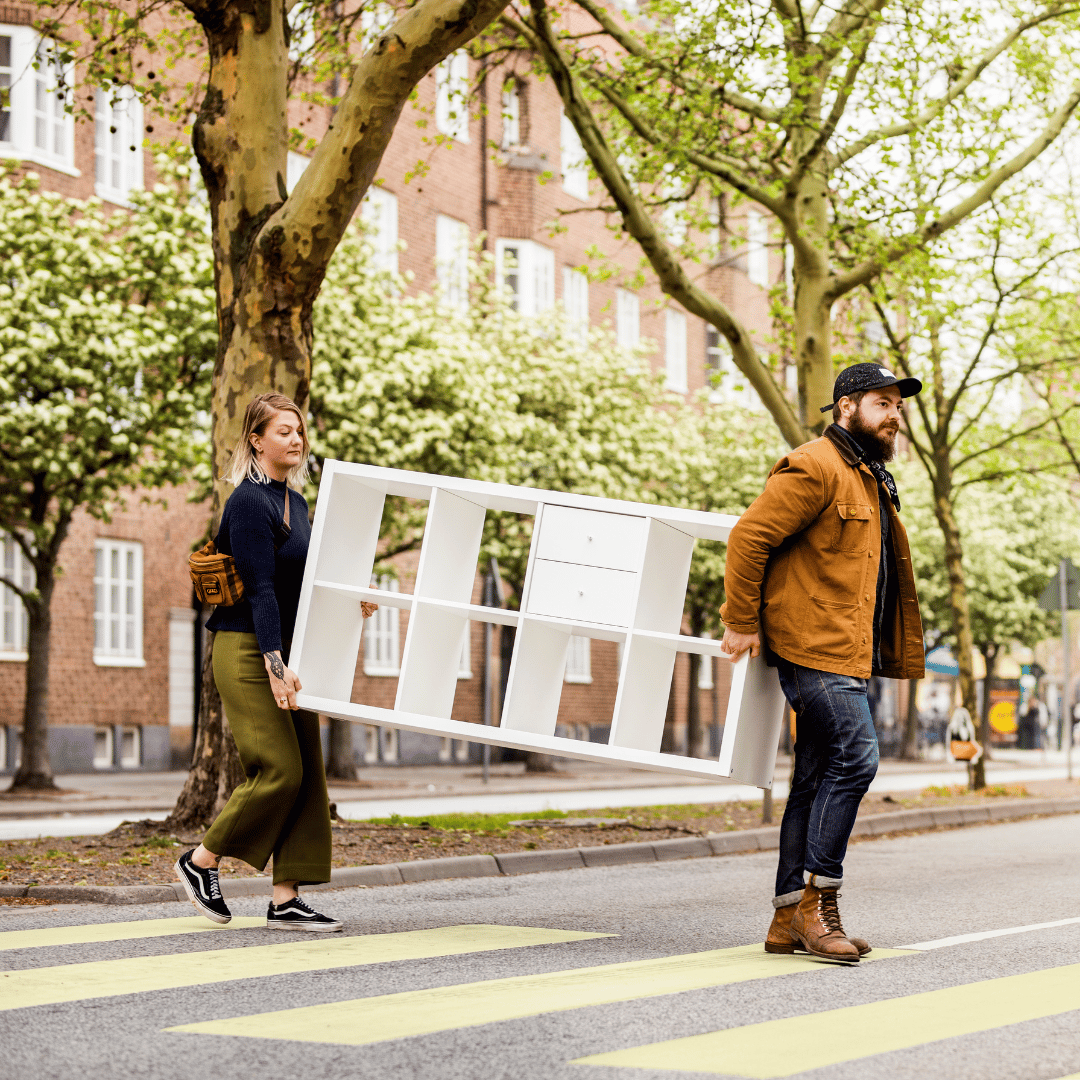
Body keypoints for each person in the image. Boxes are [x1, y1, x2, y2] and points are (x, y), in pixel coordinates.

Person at [720, 363, 926, 962]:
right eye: (882, 404)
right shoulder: (815, 465)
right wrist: (740, 620)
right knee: (857, 759)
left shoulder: (865, 476)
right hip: (815, 648)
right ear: (846, 409)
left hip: (848, 650)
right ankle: (818, 902)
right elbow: (749, 538)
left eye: (898, 406)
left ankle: (786, 917)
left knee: (813, 779)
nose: (894, 415)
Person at [175, 393, 374, 932]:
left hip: (290, 652)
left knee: (308, 772)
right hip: (247, 651)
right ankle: (201, 862)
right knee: (279, 770)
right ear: (257, 440)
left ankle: (286, 896)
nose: (296, 438)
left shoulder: (298, 505)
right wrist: (273, 664)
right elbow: (261, 588)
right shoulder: (248, 502)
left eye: (299, 430)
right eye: (283, 430)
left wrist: (352, 602)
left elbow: (302, 586)